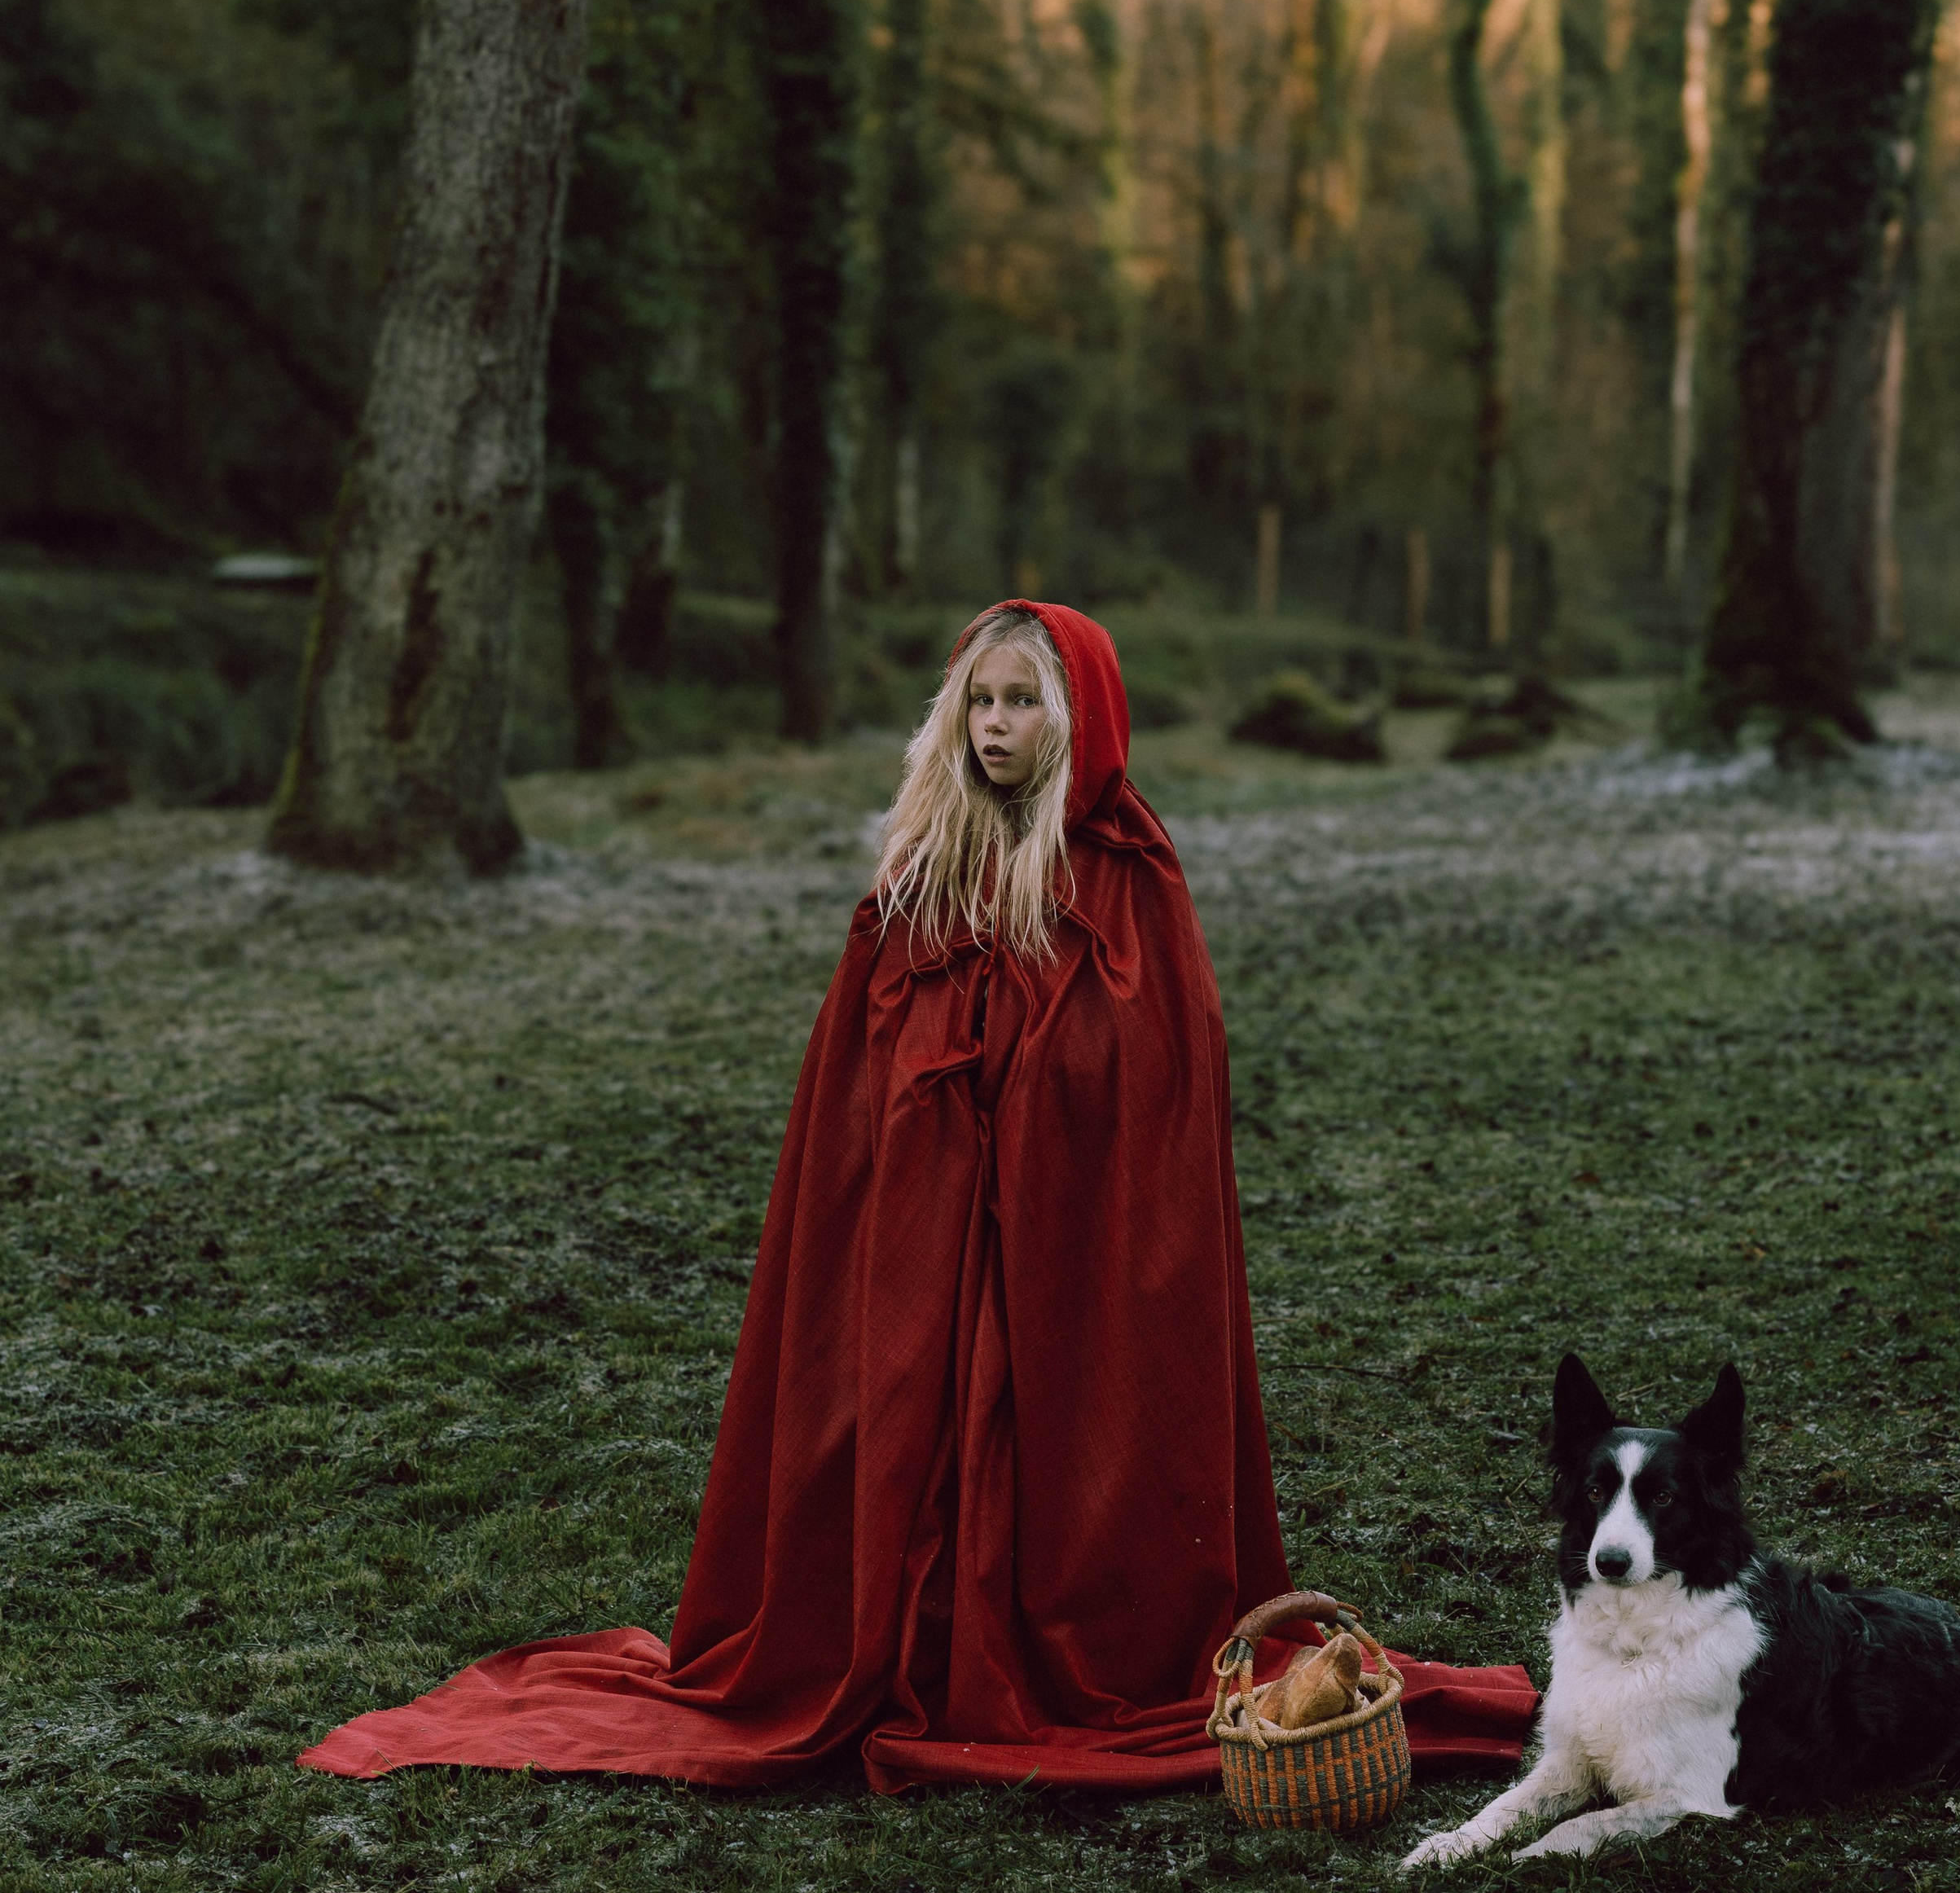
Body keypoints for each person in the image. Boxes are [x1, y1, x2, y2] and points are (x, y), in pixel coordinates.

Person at [302, 602, 1535, 1791]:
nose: (994, 727)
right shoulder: (917, 879)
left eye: (1022, 703)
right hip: (926, 1231)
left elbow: (1157, 1077)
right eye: (978, 702)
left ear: (1082, 718)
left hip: (1066, 1253)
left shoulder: (1133, 881)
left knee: (1068, 1429)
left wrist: (1038, 1110)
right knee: (904, 1416)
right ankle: (912, 1637)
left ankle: (1054, 1638)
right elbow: (859, 1087)